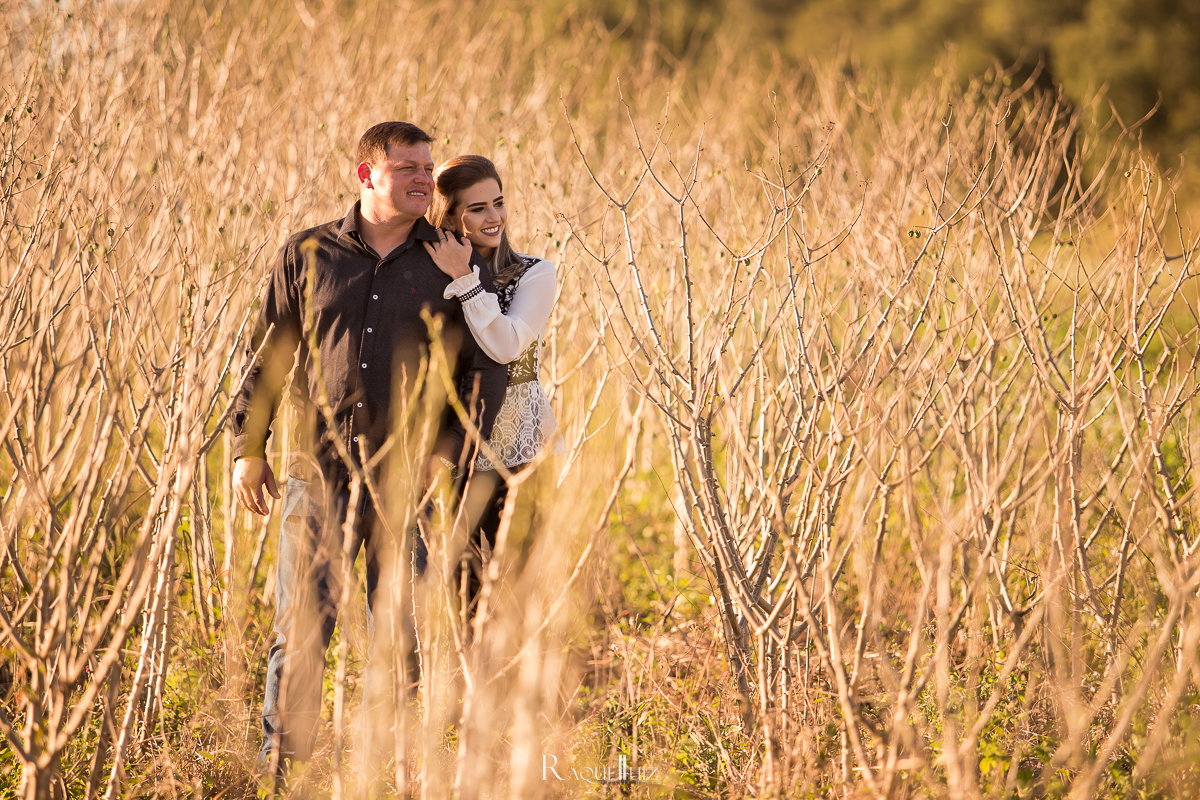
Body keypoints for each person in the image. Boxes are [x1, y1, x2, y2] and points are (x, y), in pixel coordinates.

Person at [230, 122, 508, 773]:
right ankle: (283, 772)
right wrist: (248, 447)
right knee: (300, 633)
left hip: (407, 481)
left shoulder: (451, 260)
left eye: (428, 169)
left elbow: (483, 368)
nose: (424, 179)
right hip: (315, 472)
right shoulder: (308, 253)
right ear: (366, 174)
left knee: (399, 635)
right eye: (408, 168)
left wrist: (452, 454)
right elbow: (269, 354)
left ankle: (391, 772)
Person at [423, 155, 565, 625]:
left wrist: (466, 280)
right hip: (455, 444)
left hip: (521, 447)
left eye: (498, 203)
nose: (494, 217)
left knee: (520, 591)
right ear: (448, 218)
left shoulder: (535, 273)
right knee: (462, 591)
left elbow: (507, 344)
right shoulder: (425, 275)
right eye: (477, 208)